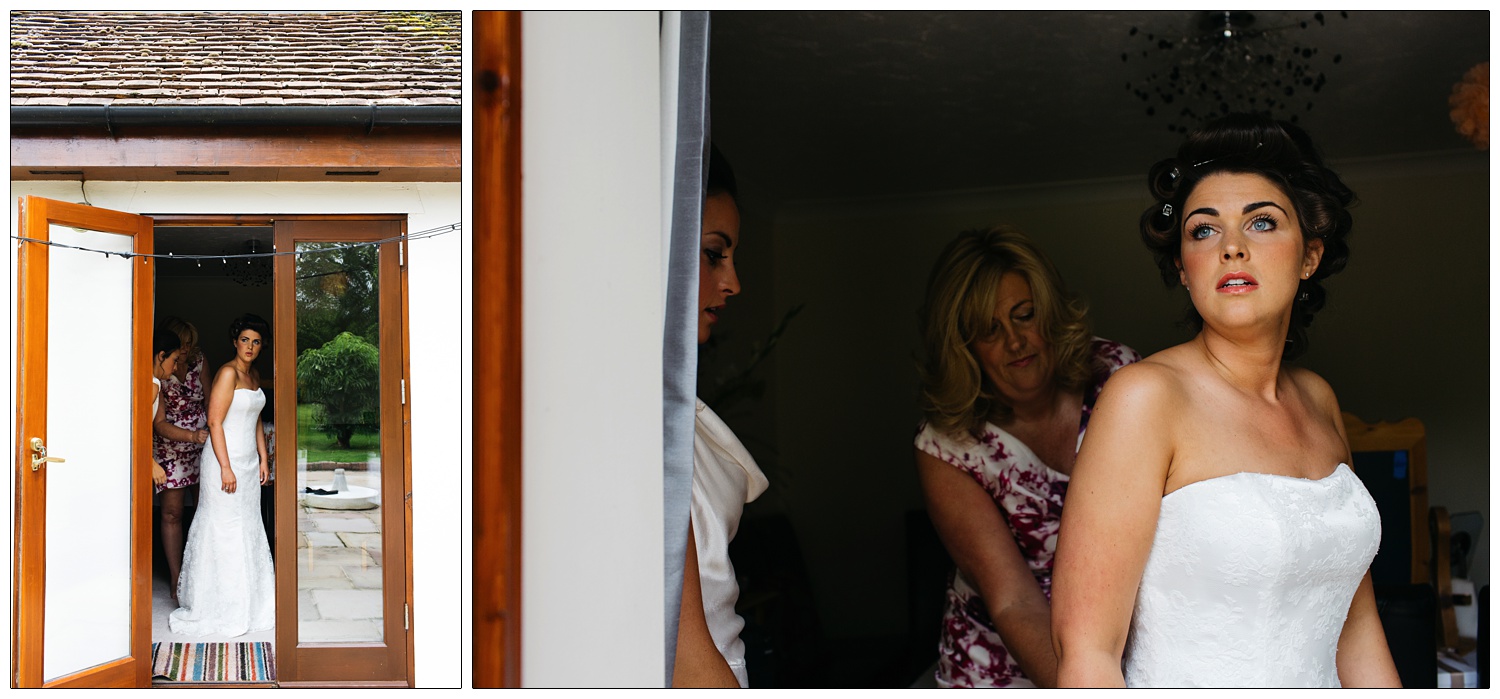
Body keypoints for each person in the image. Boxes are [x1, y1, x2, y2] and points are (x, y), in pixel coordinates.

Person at [1050, 114, 1400, 688]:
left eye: (1261, 222)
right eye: (1203, 230)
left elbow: (1356, 629)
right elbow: (1087, 654)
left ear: (1309, 256)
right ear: (1184, 272)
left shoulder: (1319, 399)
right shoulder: (1144, 397)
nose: (1232, 247)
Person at [913, 226, 1140, 687]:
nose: (1015, 342)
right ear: (964, 346)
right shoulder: (946, 444)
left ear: (1050, 312)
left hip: (1121, 649)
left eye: (1025, 315)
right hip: (997, 665)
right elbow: (1013, 599)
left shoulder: (1120, 378)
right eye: (990, 331)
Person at [672, 146, 769, 688]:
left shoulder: (673, 405)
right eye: (714, 254)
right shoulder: (633, 416)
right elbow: (683, 648)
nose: (733, 283)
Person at [169, 313, 275, 637]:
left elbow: (255, 418)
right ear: (235, 341)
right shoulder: (227, 374)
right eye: (245, 340)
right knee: (224, 531)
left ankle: (250, 603)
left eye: (256, 342)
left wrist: (263, 457)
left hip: (247, 463)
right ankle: (216, 606)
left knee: (248, 527)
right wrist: (226, 467)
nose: (250, 347)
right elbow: (215, 422)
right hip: (223, 463)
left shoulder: (254, 374)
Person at [152, 317, 211, 603]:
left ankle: (201, 574)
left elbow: (213, 402)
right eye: (182, 344)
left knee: (206, 511)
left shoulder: (200, 362)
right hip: (170, 446)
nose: (186, 349)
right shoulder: (158, 375)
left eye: (190, 344)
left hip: (203, 443)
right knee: (172, 513)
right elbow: (156, 421)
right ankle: (176, 577)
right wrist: (190, 437)